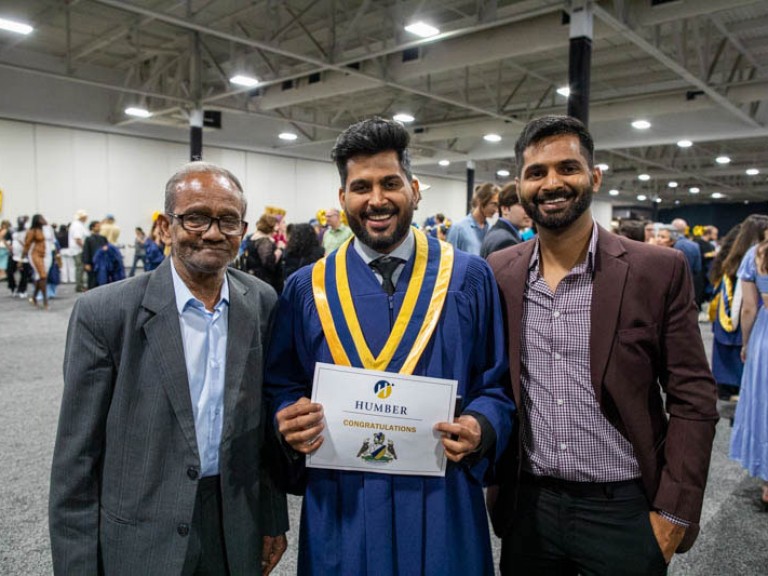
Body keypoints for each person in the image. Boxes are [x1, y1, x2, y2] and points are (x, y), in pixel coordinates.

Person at [265, 117, 514, 575]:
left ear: (415, 190)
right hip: (343, 503)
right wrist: (288, 417)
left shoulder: (469, 278)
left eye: (390, 183)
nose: (377, 199)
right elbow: (282, 385)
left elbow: (497, 385)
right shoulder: (306, 289)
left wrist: (482, 425)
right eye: (361, 187)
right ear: (343, 199)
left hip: (443, 498)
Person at [487, 115, 718, 575]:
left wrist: (673, 515)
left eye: (567, 168)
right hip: (528, 506)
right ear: (520, 186)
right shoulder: (499, 272)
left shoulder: (657, 269)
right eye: (536, 173)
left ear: (594, 176)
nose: (552, 183)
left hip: (625, 509)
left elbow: (694, 397)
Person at [49, 161, 289, 576]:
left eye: (228, 220)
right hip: (142, 533)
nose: (213, 233)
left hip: (234, 526)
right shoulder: (104, 313)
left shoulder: (263, 303)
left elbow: (262, 431)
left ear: (243, 230)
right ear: (165, 226)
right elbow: (77, 458)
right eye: (195, 217)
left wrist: (271, 518)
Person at [730, 231, 768, 509]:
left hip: (764, 340)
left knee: (764, 406)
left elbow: (749, 309)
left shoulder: (756, 254)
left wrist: (746, 343)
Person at [480, 182, 532, 258]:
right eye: (522, 205)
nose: (529, 211)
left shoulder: (499, 233)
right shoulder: (506, 242)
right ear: (505, 209)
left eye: (529, 205)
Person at [446, 182, 499, 255]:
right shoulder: (459, 229)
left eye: (498, 205)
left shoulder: (491, 230)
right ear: (480, 201)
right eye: (494, 204)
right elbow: (449, 259)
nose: (496, 210)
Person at [244, 213, 285, 294]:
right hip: (265, 281)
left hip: (256, 279)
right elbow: (269, 262)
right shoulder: (264, 240)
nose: (277, 228)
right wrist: (280, 249)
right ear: (270, 226)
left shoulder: (255, 237)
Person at [22, 214, 50, 310]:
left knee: (41, 277)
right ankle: (45, 301)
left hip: (44, 255)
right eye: (41, 218)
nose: (43, 220)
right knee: (43, 276)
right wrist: (21, 259)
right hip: (35, 255)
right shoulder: (32, 231)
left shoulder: (44, 229)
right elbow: (27, 245)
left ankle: (34, 297)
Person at [82, 220, 108, 290]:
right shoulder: (88, 239)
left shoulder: (103, 238)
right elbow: (86, 251)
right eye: (97, 226)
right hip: (92, 263)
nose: (99, 228)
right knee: (92, 281)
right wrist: (86, 263)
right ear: (92, 228)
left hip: (102, 263)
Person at [68, 209, 89, 292]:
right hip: (78, 250)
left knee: (80, 268)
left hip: (78, 250)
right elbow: (78, 239)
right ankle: (79, 286)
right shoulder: (77, 225)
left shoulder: (79, 224)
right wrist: (85, 249)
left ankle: (80, 285)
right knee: (79, 268)